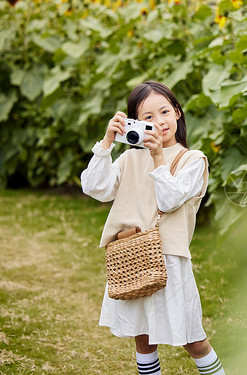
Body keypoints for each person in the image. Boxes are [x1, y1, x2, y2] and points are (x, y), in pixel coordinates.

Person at [81, 81, 226, 375]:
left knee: (193, 339)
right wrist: (107, 142)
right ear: (135, 122)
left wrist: (159, 156)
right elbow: (94, 186)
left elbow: (169, 200)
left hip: (169, 260)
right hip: (131, 256)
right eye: (147, 117)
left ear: (177, 112)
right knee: (143, 337)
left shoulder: (193, 160)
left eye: (163, 112)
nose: (158, 122)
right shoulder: (130, 157)